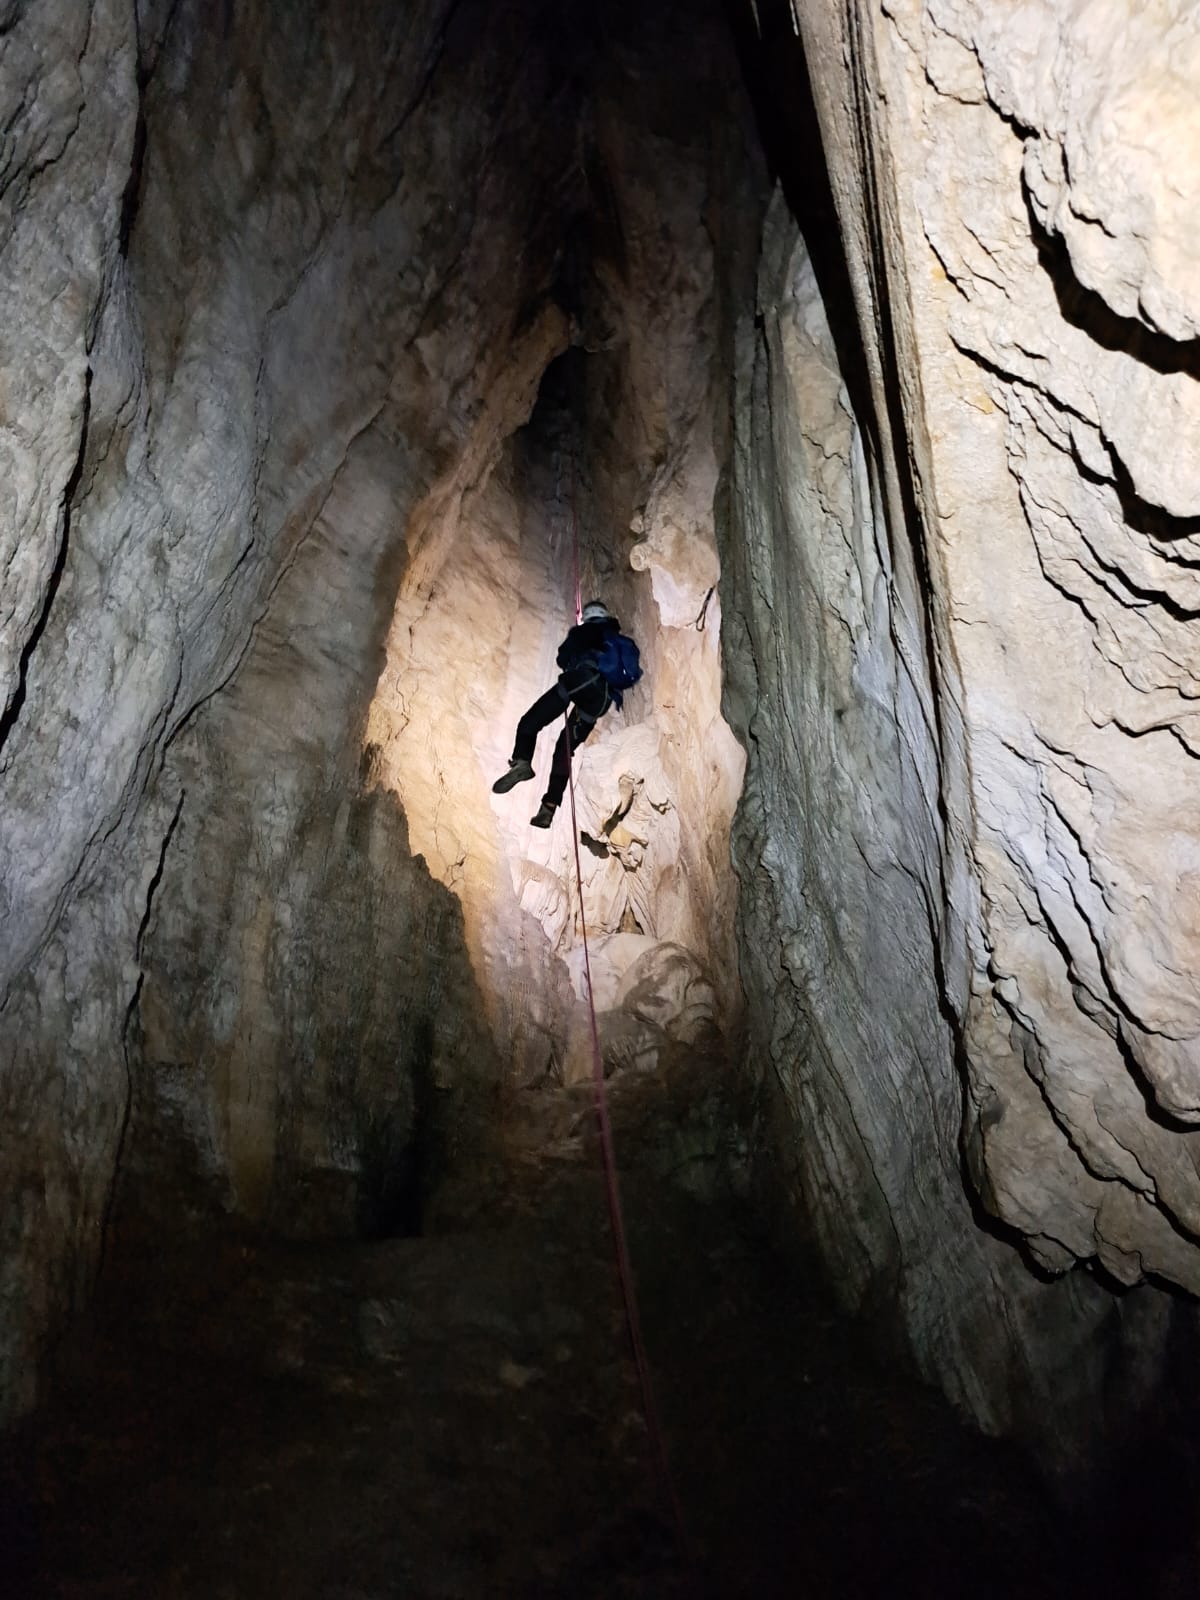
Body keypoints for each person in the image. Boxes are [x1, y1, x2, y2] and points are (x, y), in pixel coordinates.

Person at [492, 600, 639, 828]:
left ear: (587, 617)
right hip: (600, 702)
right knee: (564, 748)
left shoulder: (585, 630)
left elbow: (562, 657)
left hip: (580, 681)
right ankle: (549, 807)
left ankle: (522, 762)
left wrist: (575, 654)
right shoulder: (615, 637)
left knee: (531, 722)